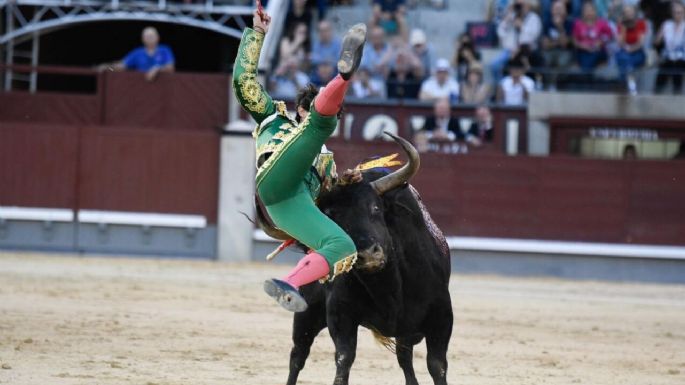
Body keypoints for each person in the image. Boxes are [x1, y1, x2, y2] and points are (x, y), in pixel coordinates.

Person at [233, 8, 367, 312]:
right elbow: (243, 80)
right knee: (321, 125)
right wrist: (257, 34)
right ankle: (343, 75)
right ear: (301, 108)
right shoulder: (274, 118)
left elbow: (324, 200)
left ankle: (289, 283)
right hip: (277, 174)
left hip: (288, 206)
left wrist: (345, 182)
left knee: (343, 247)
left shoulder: (327, 162)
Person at [490, 0, 543, 83]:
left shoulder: (534, 18)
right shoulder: (511, 16)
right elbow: (500, 33)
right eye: (518, 5)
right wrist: (507, 20)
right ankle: (501, 86)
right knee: (494, 65)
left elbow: (533, 36)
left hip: (527, 50)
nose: (520, 7)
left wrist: (521, 26)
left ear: (528, 5)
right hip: (510, 50)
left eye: (522, 5)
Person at [98, 26, 175, 82]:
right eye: (147, 36)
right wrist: (108, 67)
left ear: (158, 37)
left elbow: (171, 67)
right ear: (142, 39)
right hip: (141, 88)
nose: (149, 38)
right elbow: (122, 66)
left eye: (151, 36)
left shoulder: (164, 50)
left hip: (163, 90)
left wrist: (157, 69)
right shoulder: (137, 53)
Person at [614, 4, 647, 94]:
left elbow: (640, 43)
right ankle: (631, 87)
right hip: (624, 51)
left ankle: (623, 88)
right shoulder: (620, 25)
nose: (628, 14)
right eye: (626, 12)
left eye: (630, 11)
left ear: (635, 12)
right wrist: (624, 29)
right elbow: (620, 44)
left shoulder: (641, 23)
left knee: (626, 63)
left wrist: (631, 49)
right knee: (624, 59)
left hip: (637, 51)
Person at [572, 1, 614, 72]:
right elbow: (574, 41)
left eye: (591, 10)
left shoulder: (602, 23)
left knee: (591, 59)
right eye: (586, 11)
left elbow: (609, 36)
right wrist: (584, 46)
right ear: (582, 12)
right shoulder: (578, 24)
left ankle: (588, 75)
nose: (589, 13)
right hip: (583, 51)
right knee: (585, 59)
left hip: (598, 50)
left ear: (595, 11)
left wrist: (601, 42)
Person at [654, 1, 685, 94]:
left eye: (680, 12)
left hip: (682, 57)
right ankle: (657, 94)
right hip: (668, 56)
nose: (677, 15)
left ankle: (677, 93)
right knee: (664, 69)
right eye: (675, 12)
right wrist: (660, 36)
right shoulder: (667, 25)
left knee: (677, 67)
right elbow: (656, 42)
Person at [541, 0, 574, 70]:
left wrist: (560, 27)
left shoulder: (569, 24)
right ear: (551, 10)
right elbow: (545, 45)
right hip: (549, 51)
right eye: (556, 9)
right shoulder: (547, 23)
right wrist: (557, 42)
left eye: (560, 9)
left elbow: (564, 44)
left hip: (564, 51)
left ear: (565, 11)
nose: (558, 12)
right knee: (545, 60)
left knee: (562, 62)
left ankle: (561, 81)